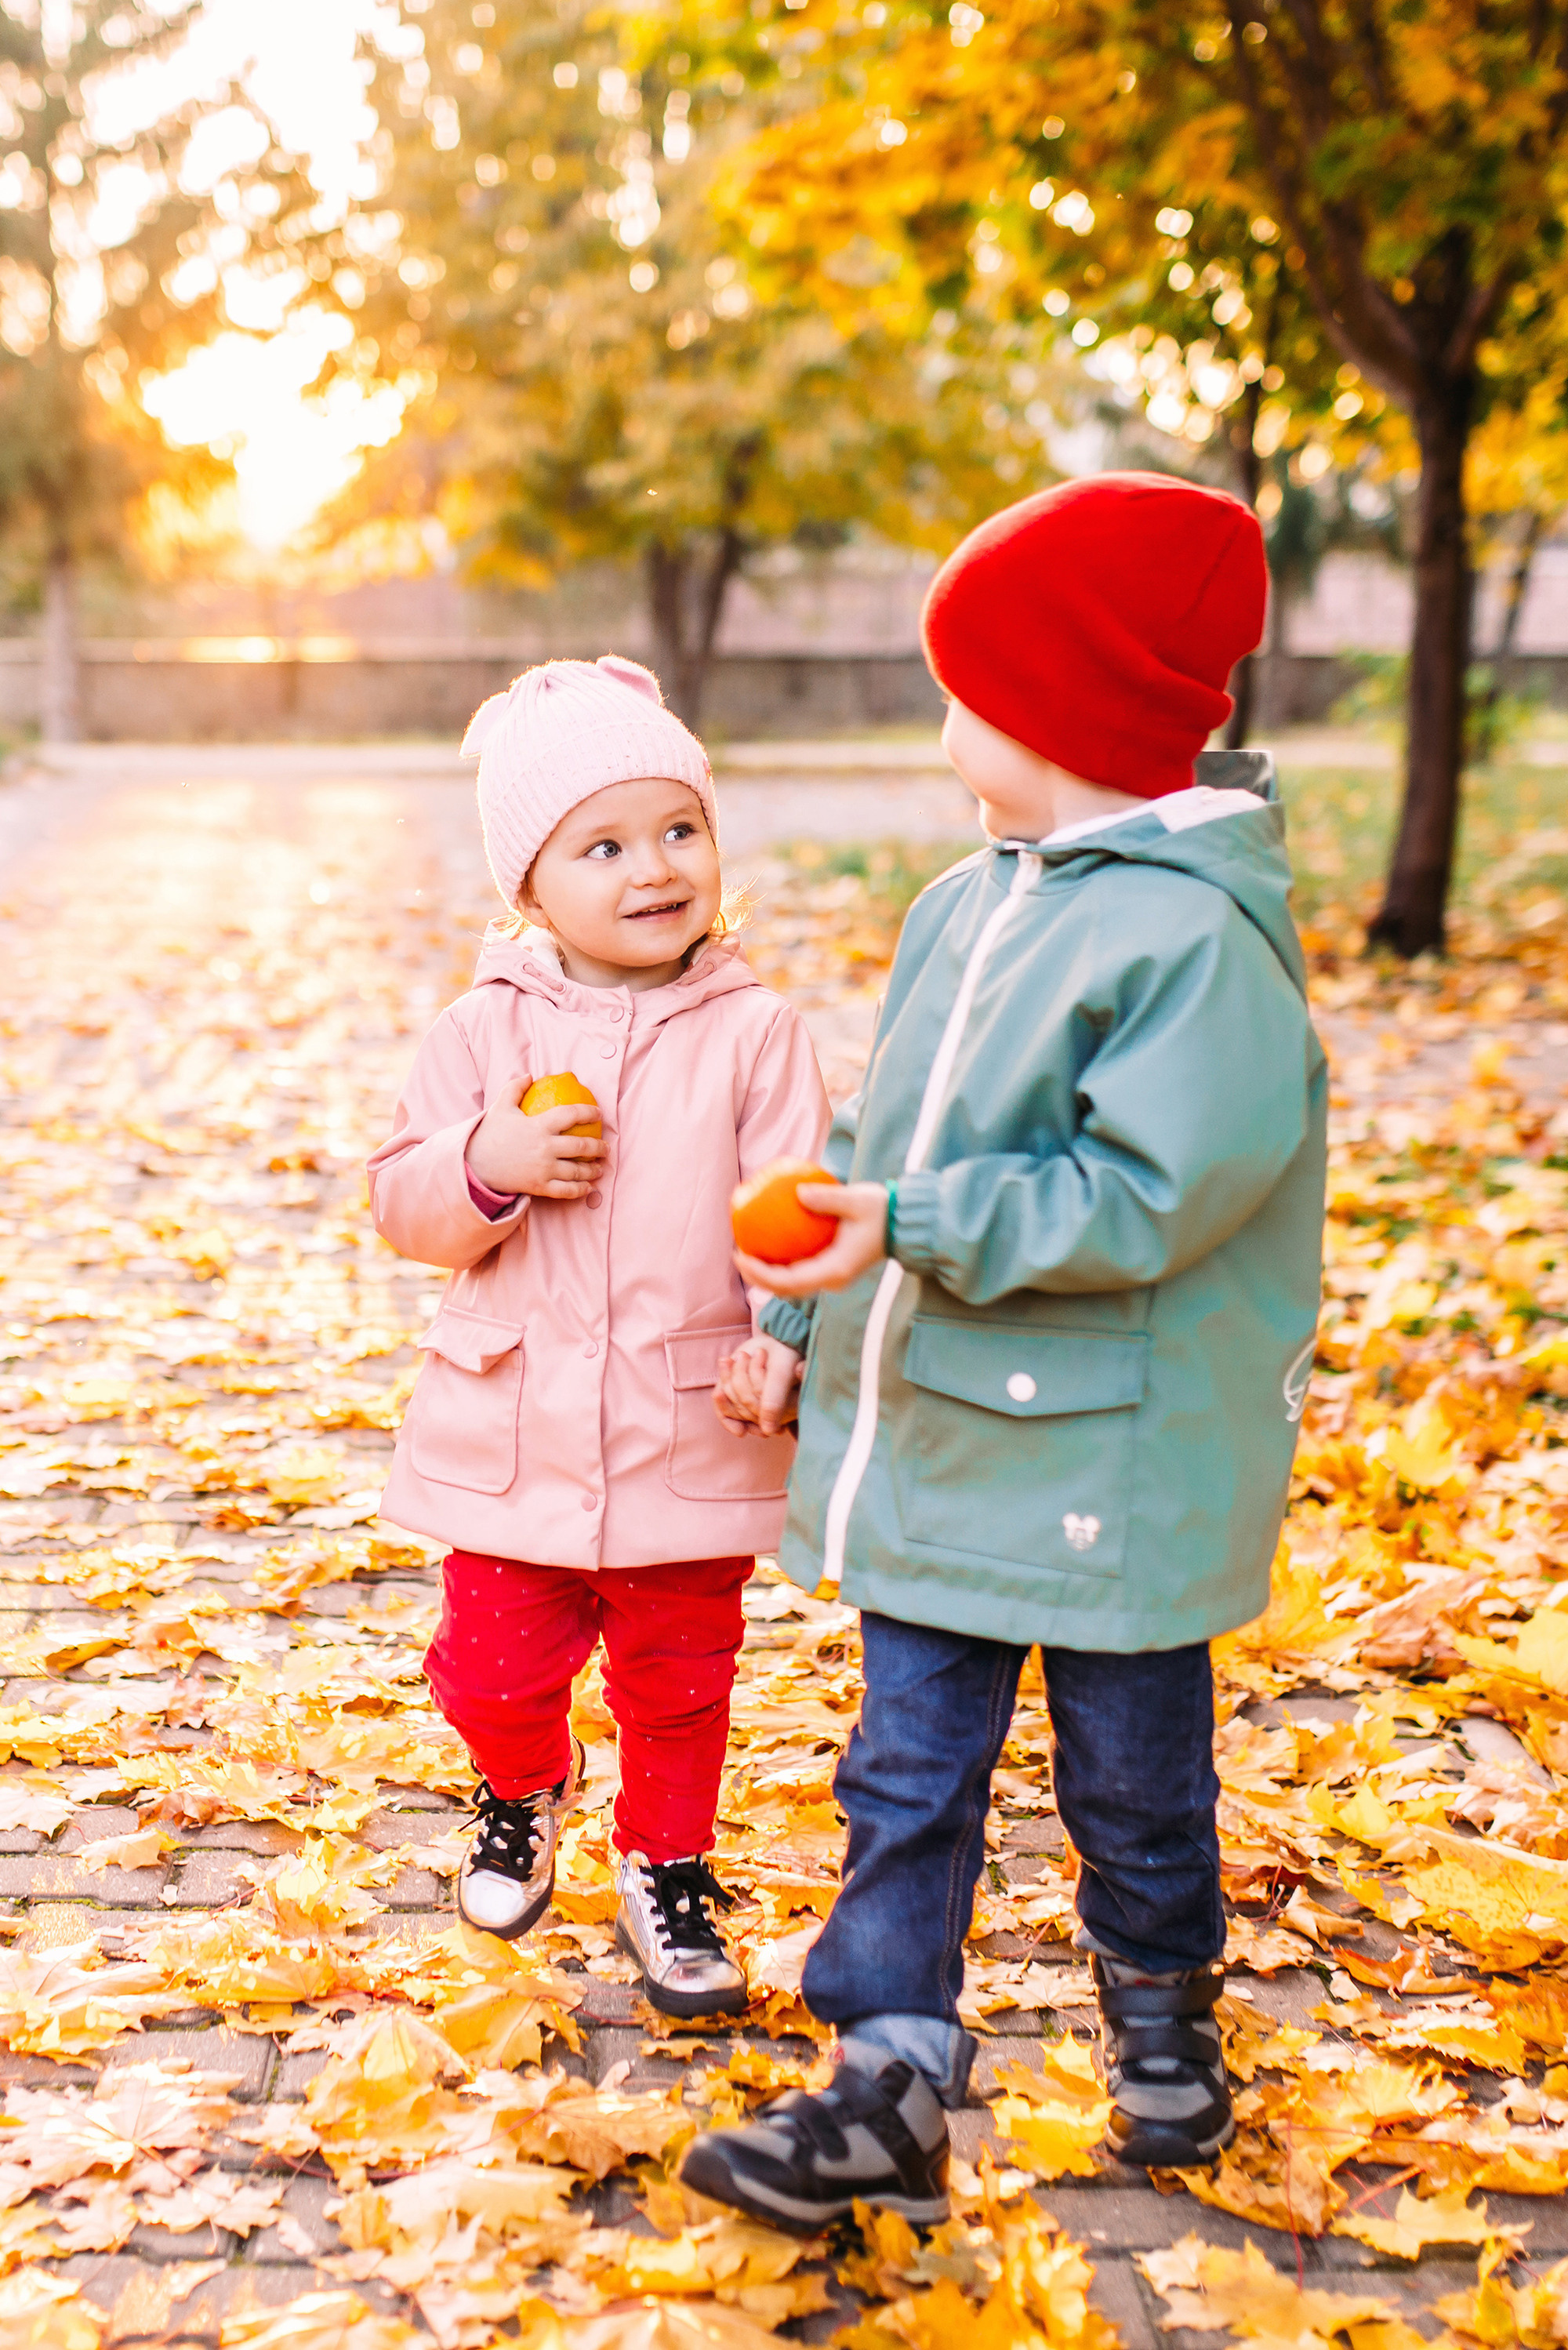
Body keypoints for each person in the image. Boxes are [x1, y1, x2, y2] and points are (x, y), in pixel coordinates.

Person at [688, 474, 1328, 2231]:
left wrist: (908, 1224)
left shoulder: (1195, 936)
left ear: (1058, 710)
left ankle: (1160, 2009)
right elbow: (877, 1147)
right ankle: (885, 2066)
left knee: (1132, 1771)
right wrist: (799, 1313)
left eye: (967, 685)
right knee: (903, 1764)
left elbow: (1144, 1196)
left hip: (1113, 1449)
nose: (945, 717)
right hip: (958, 1425)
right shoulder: (967, 905)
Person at [368, 655, 829, 2018]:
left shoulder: (756, 1034)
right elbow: (404, 1198)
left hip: (691, 1428)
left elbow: (793, 1206)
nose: (655, 867)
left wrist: (783, 1337)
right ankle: (522, 1783)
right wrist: (488, 1160)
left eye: (680, 829)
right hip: (512, 1433)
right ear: (531, 884)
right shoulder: (480, 1030)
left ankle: (668, 1861)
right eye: (606, 843)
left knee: (681, 1682)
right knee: (491, 1667)